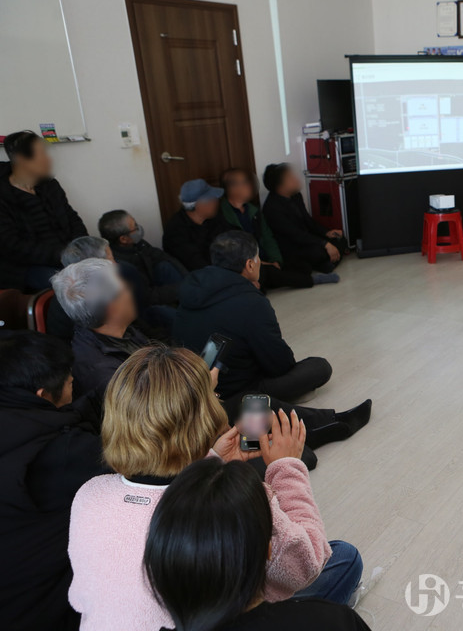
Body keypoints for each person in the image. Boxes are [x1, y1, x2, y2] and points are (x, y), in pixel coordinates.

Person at [68, 345, 364, 631]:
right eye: (213, 394)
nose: (218, 399)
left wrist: (213, 460)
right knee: (344, 557)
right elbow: (305, 564)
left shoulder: (90, 494)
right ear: (203, 417)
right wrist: (287, 468)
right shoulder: (230, 502)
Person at [172, 232, 371, 443]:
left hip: (197, 393)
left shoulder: (191, 290)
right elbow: (280, 365)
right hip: (236, 396)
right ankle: (328, 425)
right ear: (250, 264)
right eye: (258, 258)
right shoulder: (250, 302)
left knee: (252, 408)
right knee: (319, 367)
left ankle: (325, 423)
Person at [144, 458, 371, 631]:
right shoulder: (334, 621)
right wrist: (287, 465)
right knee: (346, 557)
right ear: (268, 549)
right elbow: (307, 556)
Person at [0, 332, 107, 631]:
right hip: (39, 608)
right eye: (70, 383)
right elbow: (148, 465)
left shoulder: (16, 426)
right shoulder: (59, 453)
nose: (74, 384)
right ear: (42, 394)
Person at [0, 130, 87, 291]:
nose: (49, 159)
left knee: (123, 271)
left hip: (67, 257)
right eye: (42, 154)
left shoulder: (50, 186)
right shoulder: (4, 195)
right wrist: (63, 255)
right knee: (75, 287)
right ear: (21, 159)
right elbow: (12, 246)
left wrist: (82, 247)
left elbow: (73, 219)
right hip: (27, 268)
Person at [51, 258, 146, 401]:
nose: (131, 291)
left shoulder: (116, 331)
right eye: (125, 288)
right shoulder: (107, 376)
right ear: (113, 308)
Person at [220, 168, 330, 289]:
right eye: (245, 182)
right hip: (248, 265)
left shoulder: (253, 210)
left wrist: (275, 260)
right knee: (268, 274)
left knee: (302, 267)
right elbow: (234, 252)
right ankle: (311, 280)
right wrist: (260, 263)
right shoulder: (223, 216)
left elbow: (268, 238)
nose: (249, 186)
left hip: (263, 258)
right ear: (232, 188)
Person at [262, 163, 348, 275]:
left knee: (340, 239)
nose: (295, 179)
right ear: (280, 186)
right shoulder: (272, 208)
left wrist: (326, 233)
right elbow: (295, 234)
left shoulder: (296, 195)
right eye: (290, 178)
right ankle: (325, 263)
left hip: (306, 239)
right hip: (292, 246)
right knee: (318, 252)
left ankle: (325, 264)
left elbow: (308, 221)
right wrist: (324, 244)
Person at [99, 209, 187, 306]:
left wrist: (189, 279)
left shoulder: (137, 243)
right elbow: (147, 297)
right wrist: (182, 288)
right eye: (135, 227)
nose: (139, 228)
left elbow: (162, 256)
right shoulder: (121, 266)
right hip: (144, 305)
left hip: (153, 287)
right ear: (123, 239)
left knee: (165, 266)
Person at [162, 178, 232, 271]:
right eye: (213, 199)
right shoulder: (175, 232)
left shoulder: (214, 217)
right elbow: (198, 265)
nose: (217, 202)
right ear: (200, 205)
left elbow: (232, 239)